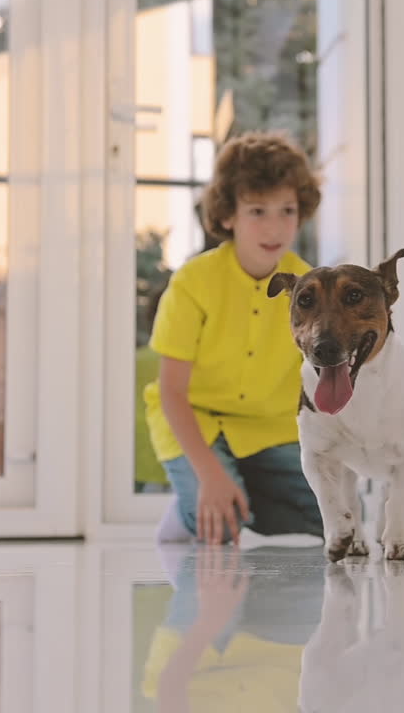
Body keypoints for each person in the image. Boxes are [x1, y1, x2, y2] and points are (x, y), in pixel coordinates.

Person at [143, 130, 323, 545]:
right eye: (257, 210)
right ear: (228, 216)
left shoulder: (310, 288)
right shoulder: (193, 282)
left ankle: (237, 488)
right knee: (219, 526)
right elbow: (171, 391)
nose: (274, 227)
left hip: (270, 430)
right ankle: (200, 500)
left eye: (287, 210)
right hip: (197, 422)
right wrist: (208, 473)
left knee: (333, 517)